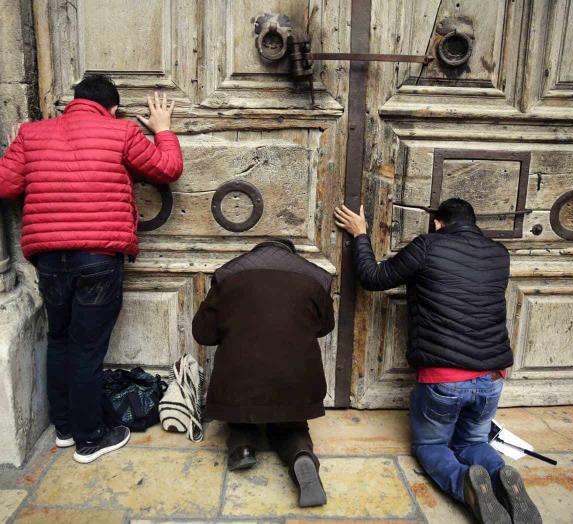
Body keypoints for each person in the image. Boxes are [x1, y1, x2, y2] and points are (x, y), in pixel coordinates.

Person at [0, 74, 184, 464]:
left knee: (61, 339)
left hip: (49, 259)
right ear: (112, 108)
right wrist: (163, 130)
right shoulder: (120, 132)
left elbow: (4, 185)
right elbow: (167, 168)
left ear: (73, 102)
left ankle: (64, 427)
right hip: (99, 258)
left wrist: (21, 142)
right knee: (87, 349)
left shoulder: (33, 134)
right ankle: (90, 437)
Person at [334, 199, 542, 524]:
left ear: (437, 223)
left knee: (432, 446)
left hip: (445, 378)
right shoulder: (499, 254)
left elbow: (373, 278)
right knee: (472, 440)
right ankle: (502, 477)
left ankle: (465, 486)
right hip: (492, 377)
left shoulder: (427, 246)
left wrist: (361, 233)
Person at [192, 238, 334, 507]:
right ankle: (300, 455)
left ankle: (242, 446)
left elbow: (203, 333)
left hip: (238, 387)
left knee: (242, 415)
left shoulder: (227, 273)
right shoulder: (317, 276)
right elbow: (324, 326)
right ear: (291, 253)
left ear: (254, 251)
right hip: (297, 387)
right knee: (291, 424)